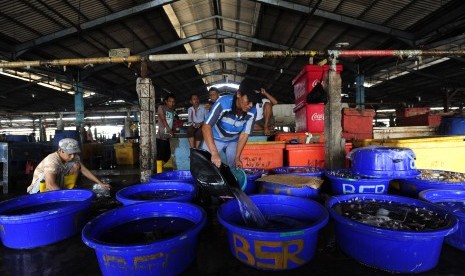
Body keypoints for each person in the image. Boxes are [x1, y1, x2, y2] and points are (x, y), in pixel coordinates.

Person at [201, 84, 262, 168]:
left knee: (235, 167)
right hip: (215, 138)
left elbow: (244, 135)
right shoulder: (223, 102)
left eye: (254, 102)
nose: (251, 105)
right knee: (204, 164)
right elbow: (206, 127)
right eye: (249, 100)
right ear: (239, 94)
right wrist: (214, 153)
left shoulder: (252, 111)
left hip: (234, 140)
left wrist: (237, 158)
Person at [26, 138, 110, 194]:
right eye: (69, 153)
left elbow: (84, 170)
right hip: (40, 190)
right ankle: (63, 193)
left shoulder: (73, 157)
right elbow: (50, 185)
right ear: (60, 150)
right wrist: (67, 196)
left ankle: (67, 189)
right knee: (51, 175)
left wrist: (101, 183)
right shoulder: (52, 160)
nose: (72, 156)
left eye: (75, 153)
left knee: (76, 164)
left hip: (56, 185)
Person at [156, 94, 176, 163]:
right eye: (170, 101)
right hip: (161, 137)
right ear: (166, 101)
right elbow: (163, 119)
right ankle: (159, 172)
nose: (171, 103)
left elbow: (171, 123)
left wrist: (173, 131)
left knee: (167, 156)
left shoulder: (172, 111)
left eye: (173, 102)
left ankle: (162, 172)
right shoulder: (161, 107)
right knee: (160, 157)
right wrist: (169, 130)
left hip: (168, 137)